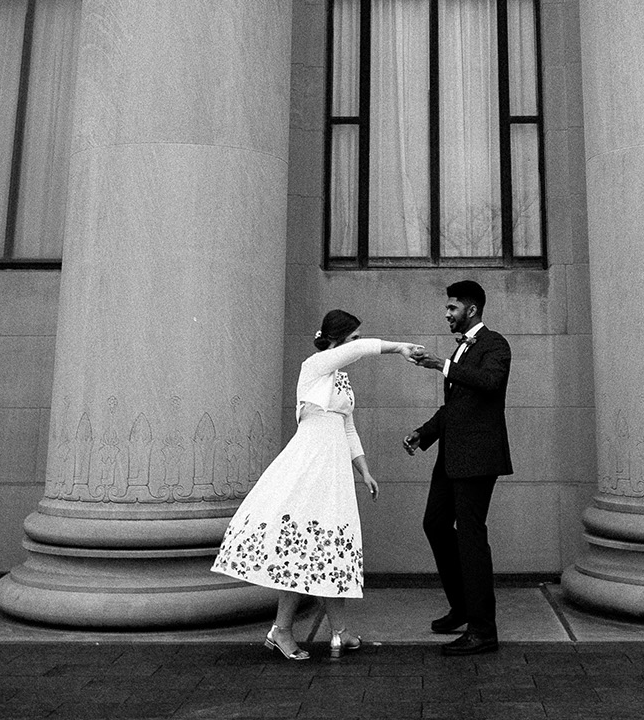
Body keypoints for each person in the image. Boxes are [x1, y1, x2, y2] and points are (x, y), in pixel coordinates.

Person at [212, 310, 423, 661]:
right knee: (305, 547)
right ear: (338, 339)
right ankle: (283, 630)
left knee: (326, 549)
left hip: (333, 467)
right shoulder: (315, 365)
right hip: (309, 463)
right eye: (353, 337)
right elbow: (357, 351)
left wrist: (365, 471)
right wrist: (398, 347)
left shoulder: (340, 379)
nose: (356, 344)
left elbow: (348, 428)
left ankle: (337, 631)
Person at [403, 280, 511, 656]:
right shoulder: (463, 352)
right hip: (450, 457)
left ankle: (483, 631)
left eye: (452, 308)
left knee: (470, 537)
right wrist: (424, 432)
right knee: (434, 524)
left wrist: (442, 365)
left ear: (472, 310)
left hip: (478, 459)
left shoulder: (495, 344)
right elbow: (457, 408)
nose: (447, 314)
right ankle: (463, 606)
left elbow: (490, 383)